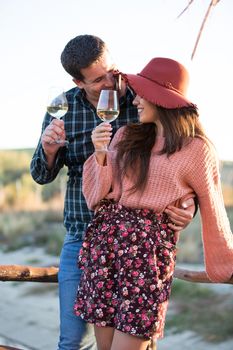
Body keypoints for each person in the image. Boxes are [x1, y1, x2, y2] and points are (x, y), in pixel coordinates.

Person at [30, 35, 195, 350]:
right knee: (73, 342)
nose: (112, 83)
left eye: (113, 71)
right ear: (78, 82)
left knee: (136, 341)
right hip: (82, 237)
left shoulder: (142, 100)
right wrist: (49, 151)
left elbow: (183, 160)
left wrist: (188, 206)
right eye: (98, 80)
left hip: (137, 243)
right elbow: (40, 175)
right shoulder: (62, 110)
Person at [74, 57, 233, 350]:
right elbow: (95, 197)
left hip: (146, 257)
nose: (135, 101)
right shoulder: (126, 136)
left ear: (162, 99)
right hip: (104, 247)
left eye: (143, 94)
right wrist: (100, 153)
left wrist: (224, 260)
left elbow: (212, 206)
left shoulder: (197, 148)